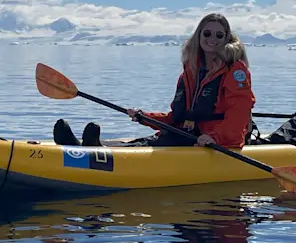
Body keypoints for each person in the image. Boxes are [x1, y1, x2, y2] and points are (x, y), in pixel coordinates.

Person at [53, 13, 256, 148]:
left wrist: (216, 138)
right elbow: (176, 118)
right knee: (154, 141)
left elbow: (238, 114)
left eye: (219, 35)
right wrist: (144, 116)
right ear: (199, 35)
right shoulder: (192, 71)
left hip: (213, 142)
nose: (213, 38)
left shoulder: (235, 71)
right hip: (188, 135)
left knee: (156, 145)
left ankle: (94, 154)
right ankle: (83, 150)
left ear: (226, 38)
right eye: (207, 33)